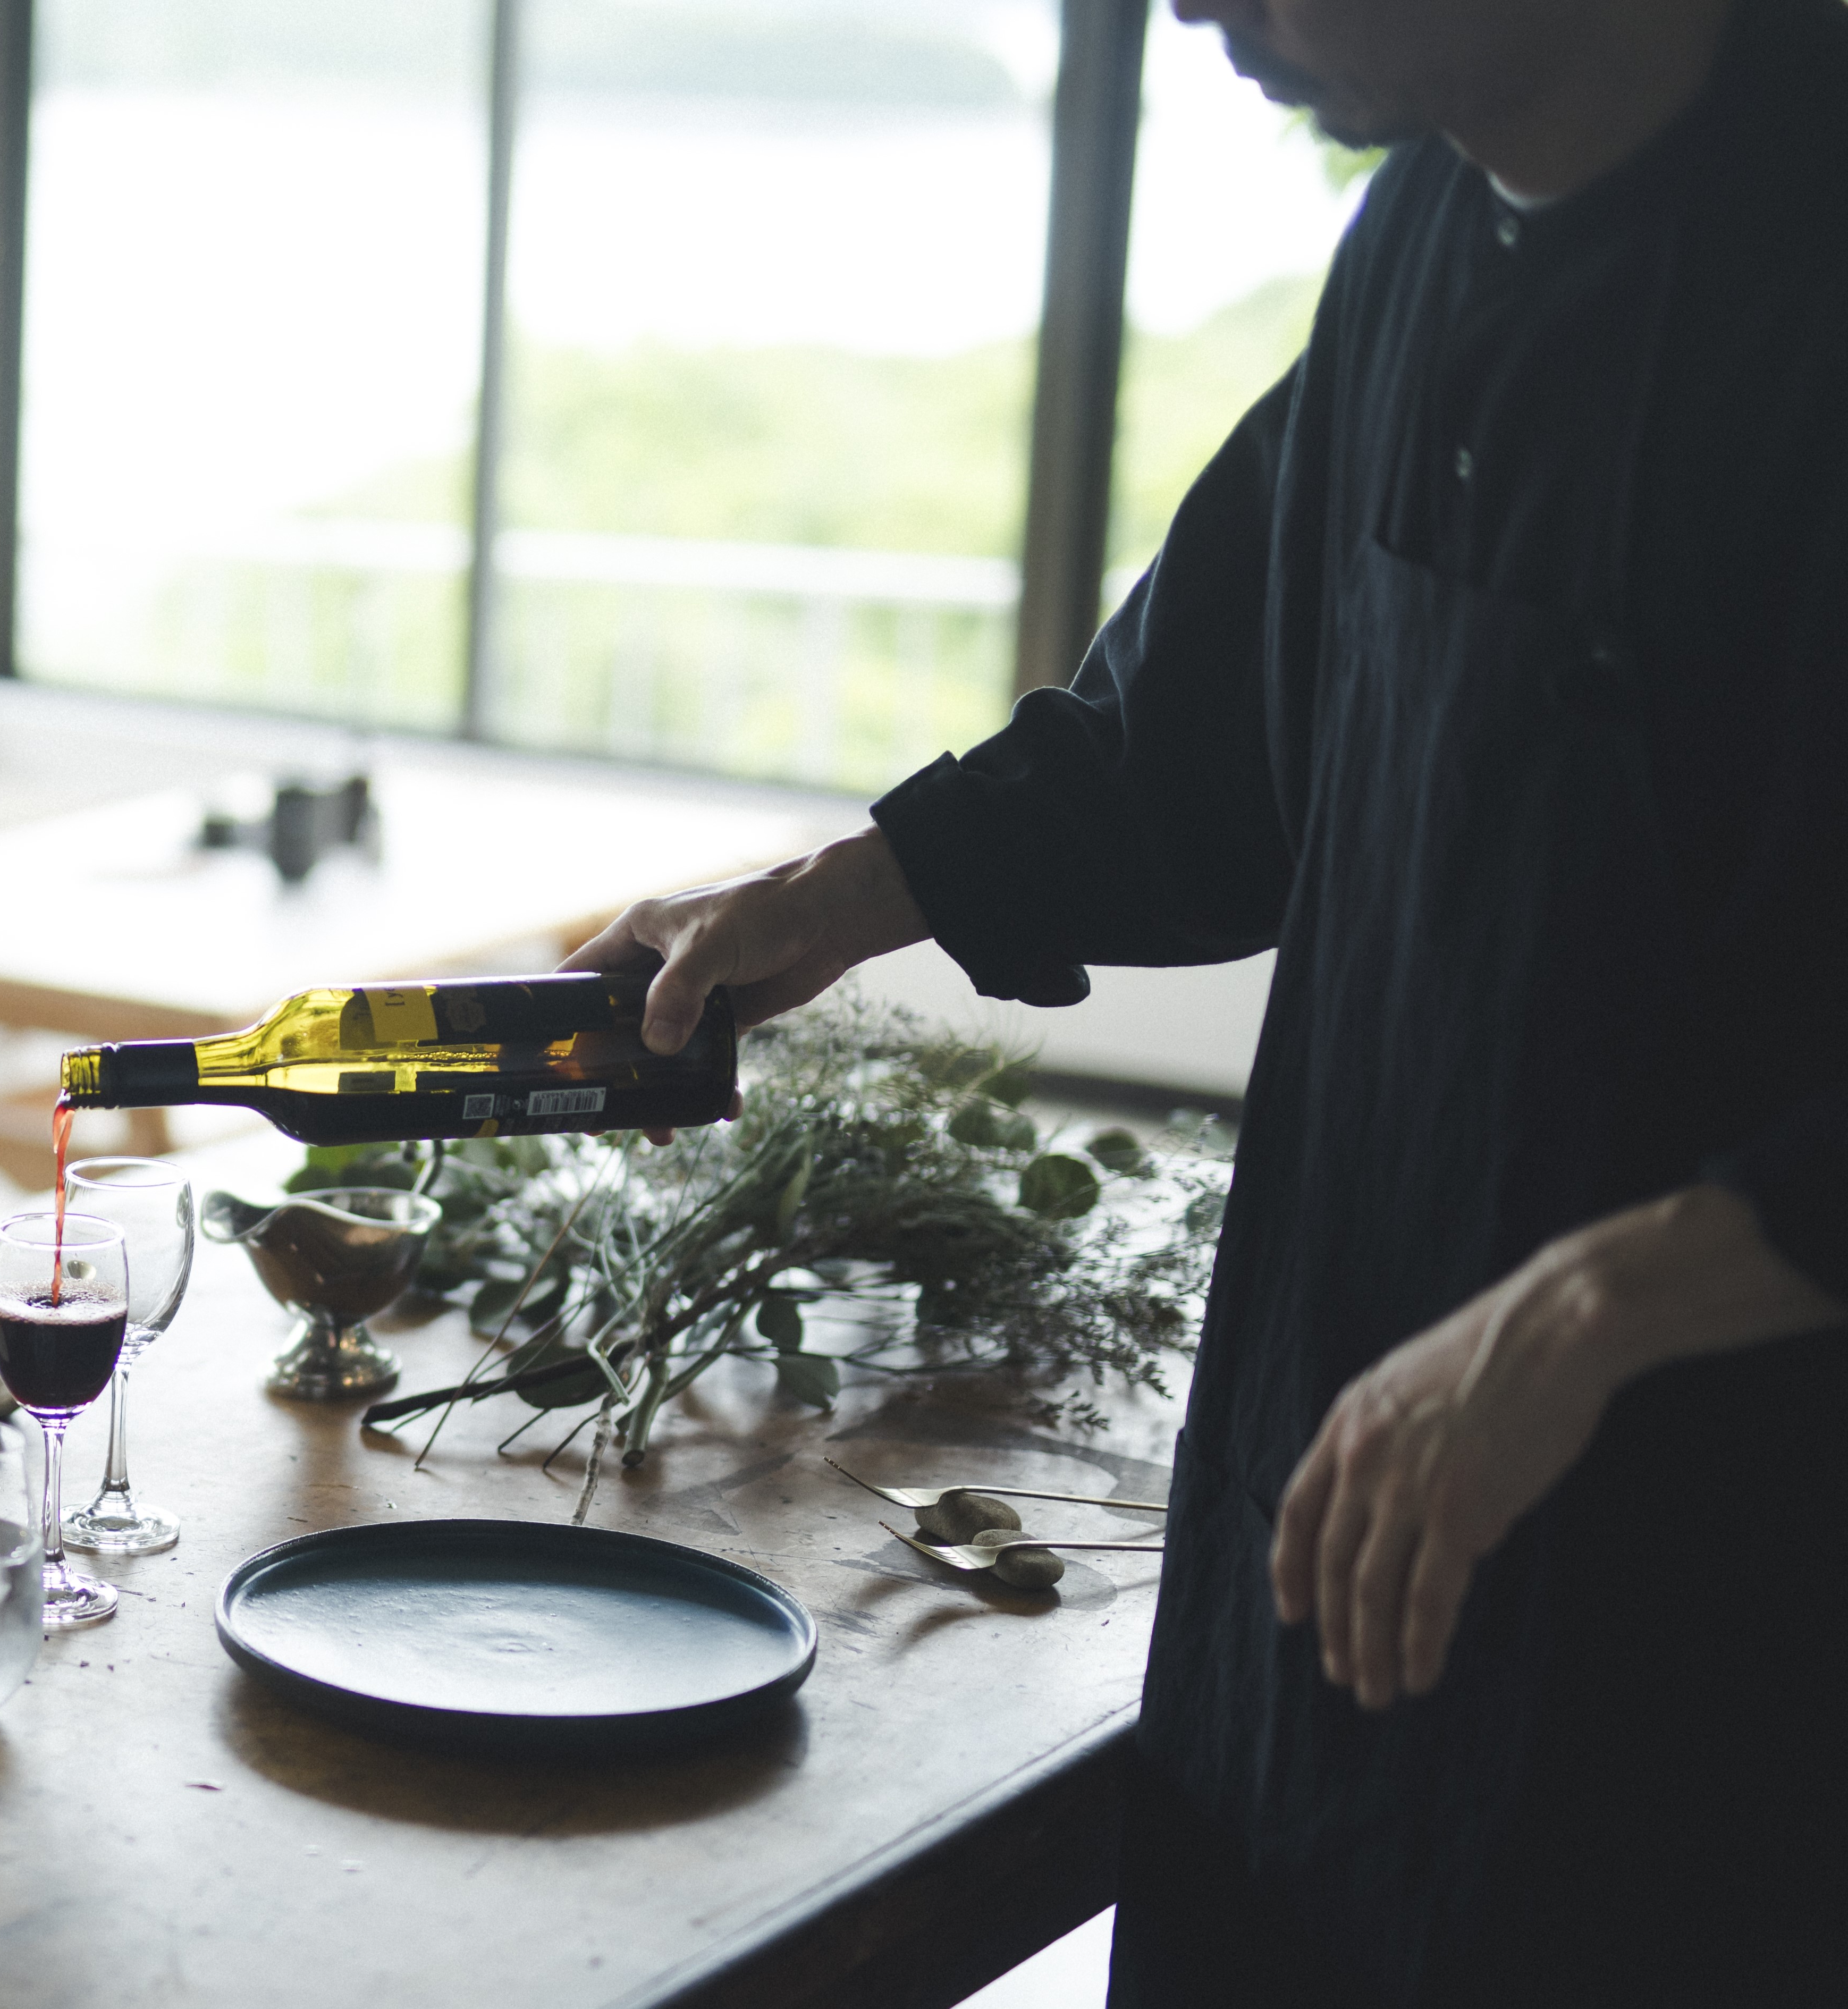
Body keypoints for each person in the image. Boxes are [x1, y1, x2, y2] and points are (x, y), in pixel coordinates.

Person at [562, 1, 1846, 2002]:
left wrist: (1605, 1298)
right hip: (1320, 1540)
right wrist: (827, 899)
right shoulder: (1422, 230)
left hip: (1703, 1645)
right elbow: (1198, 744)